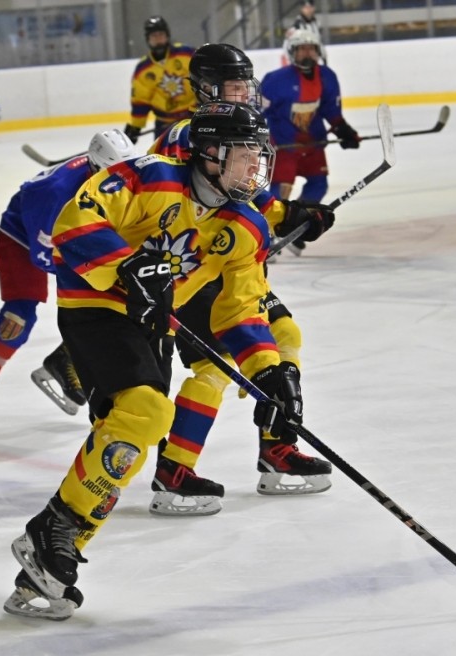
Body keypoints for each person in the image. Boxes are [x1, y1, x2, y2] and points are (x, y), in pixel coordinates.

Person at [5, 102, 306, 620]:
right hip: (95, 304)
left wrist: (271, 373)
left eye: (258, 157)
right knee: (146, 411)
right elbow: (75, 220)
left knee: (126, 430)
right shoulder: (151, 177)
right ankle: (53, 531)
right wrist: (127, 267)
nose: (254, 168)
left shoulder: (247, 226)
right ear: (209, 154)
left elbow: (241, 308)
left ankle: (49, 561)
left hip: (154, 322)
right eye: (243, 156)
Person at [146, 43, 334, 516]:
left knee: (284, 335)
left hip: (234, 266)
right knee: (217, 366)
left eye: (244, 85)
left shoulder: (236, 126)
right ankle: (175, 470)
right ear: (206, 88)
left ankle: (277, 447)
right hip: (195, 269)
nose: (243, 93)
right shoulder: (189, 135)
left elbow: (247, 194)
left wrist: (295, 213)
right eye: (233, 86)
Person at [0, 130, 136, 443]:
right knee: (18, 317)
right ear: (93, 167)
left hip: (74, 231)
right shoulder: (55, 194)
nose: (120, 183)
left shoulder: (118, 176)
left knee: (118, 299)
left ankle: (65, 358)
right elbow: (44, 257)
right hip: (21, 239)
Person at [261, 28, 359, 256]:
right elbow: (257, 110)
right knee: (281, 190)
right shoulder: (275, 80)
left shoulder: (327, 76)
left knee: (319, 185)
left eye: (311, 49)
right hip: (283, 145)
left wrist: (342, 129)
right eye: (302, 49)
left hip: (312, 144)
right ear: (292, 52)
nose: (307, 53)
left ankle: (295, 225)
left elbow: (330, 109)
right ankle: (267, 235)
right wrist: (259, 136)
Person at [123, 16, 196, 145]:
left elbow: (205, 79)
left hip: (195, 117)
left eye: (161, 34)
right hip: (165, 124)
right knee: (162, 156)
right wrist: (135, 127)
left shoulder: (186, 54)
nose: (158, 39)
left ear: (167, 35)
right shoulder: (143, 69)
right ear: (148, 39)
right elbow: (140, 102)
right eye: (154, 36)